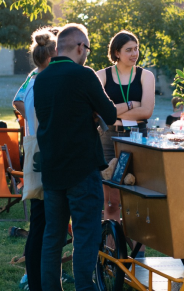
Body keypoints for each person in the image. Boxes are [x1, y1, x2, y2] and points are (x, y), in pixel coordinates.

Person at [34, 24, 117, 291]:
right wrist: (92, 113)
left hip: (52, 168)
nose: (87, 55)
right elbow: (111, 114)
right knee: (86, 236)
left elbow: (54, 118)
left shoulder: (41, 78)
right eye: (88, 48)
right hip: (82, 168)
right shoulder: (84, 75)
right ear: (80, 46)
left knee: (53, 238)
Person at [12, 28, 58, 291]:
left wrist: (31, 121)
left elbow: (17, 102)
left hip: (32, 148)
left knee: (39, 220)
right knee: (48, 222)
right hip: (47, 151)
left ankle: (36, 279)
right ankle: (40, 280)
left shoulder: (32, 80)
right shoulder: (49, 80)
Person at [96, 30, 155, 222]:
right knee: (111, 200)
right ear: (116, 53)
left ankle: (138, 252)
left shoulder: (146, 76)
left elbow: (146, 112)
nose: (134, 54)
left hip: (137, 135)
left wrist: (113, 112)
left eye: (136, 49)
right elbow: (98, 111)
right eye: (128, 50)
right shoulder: (101, 76)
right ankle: (111, 249)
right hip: (108, 137)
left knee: (136, 197)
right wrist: (131, 105)